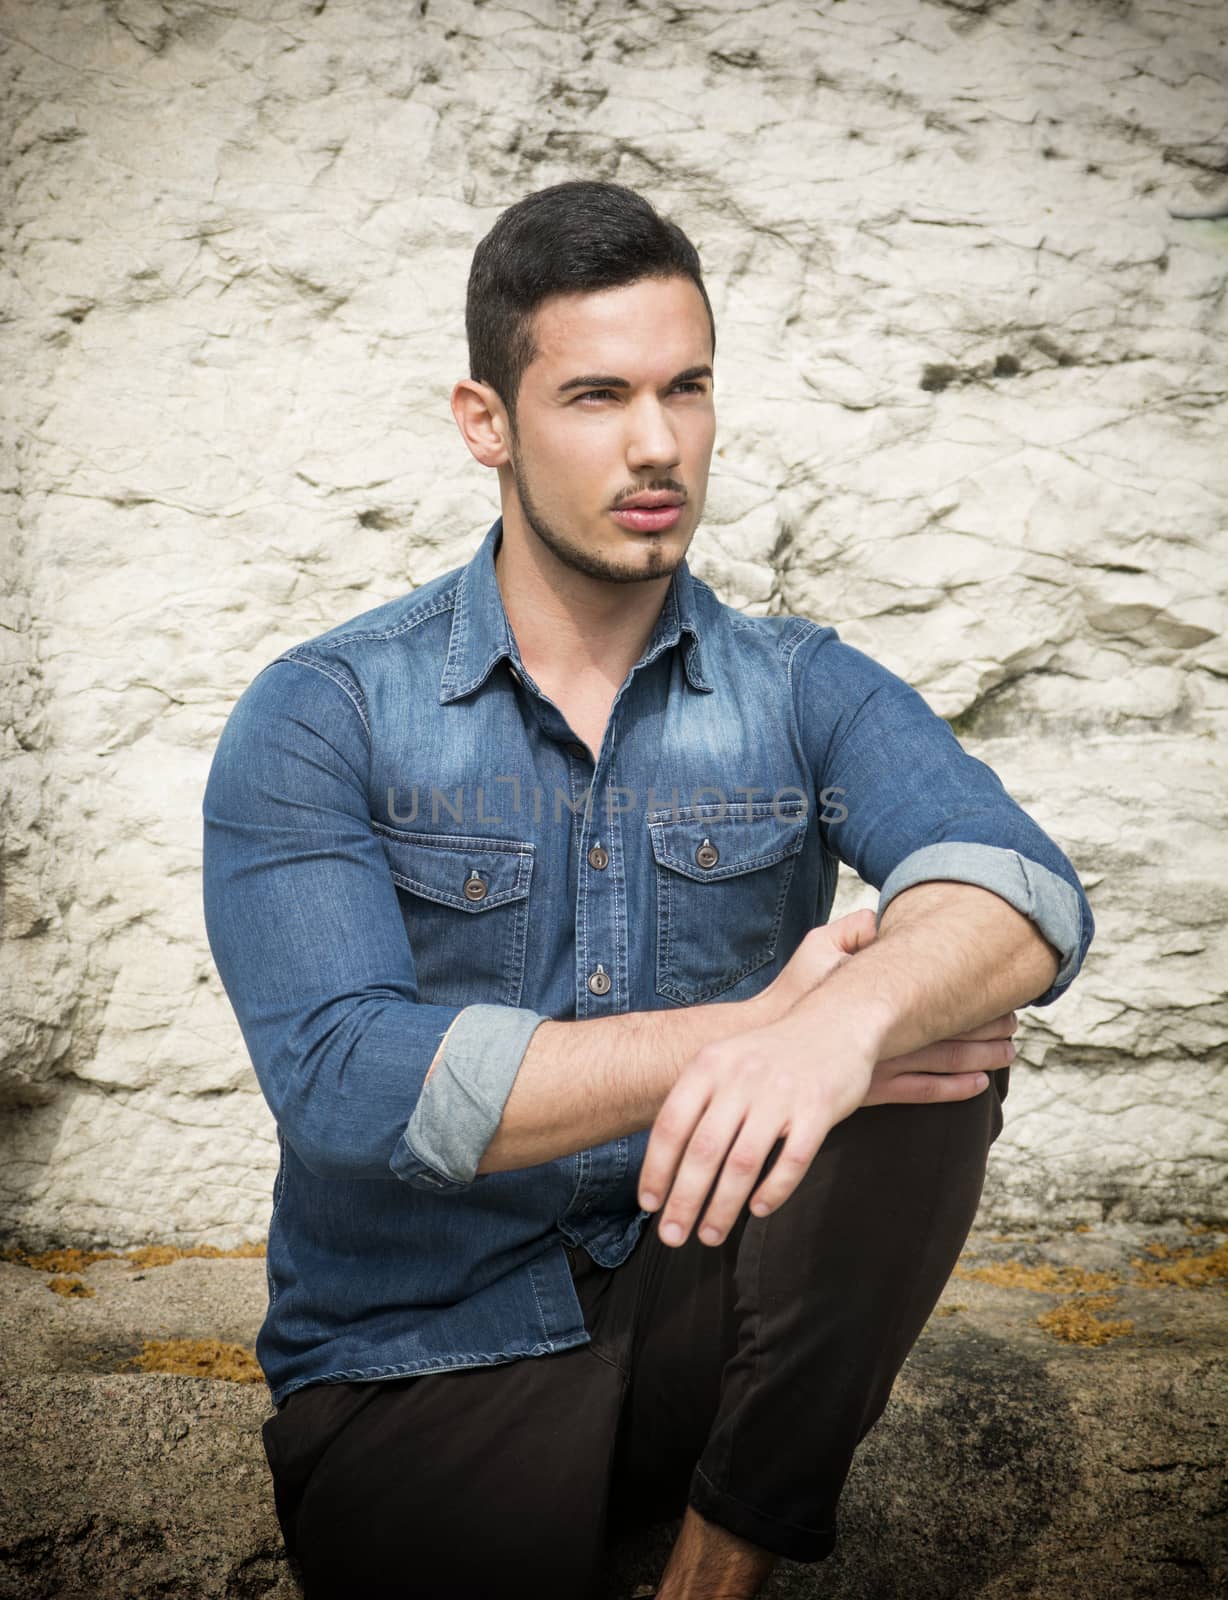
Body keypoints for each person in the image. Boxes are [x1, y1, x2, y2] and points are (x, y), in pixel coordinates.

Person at [202, 179, 1094, 1600]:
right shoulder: (326, 712)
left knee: (924, 1027)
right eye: (598, 395)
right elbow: (346, 1079)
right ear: (485, 419)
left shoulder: (801, 685)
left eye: (688, 388)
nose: (659, 443)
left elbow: (1021, 887)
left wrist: (844, 1028)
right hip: (424, 1356)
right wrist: (757, 1027)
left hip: (707, 1319)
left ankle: (724, 1552)